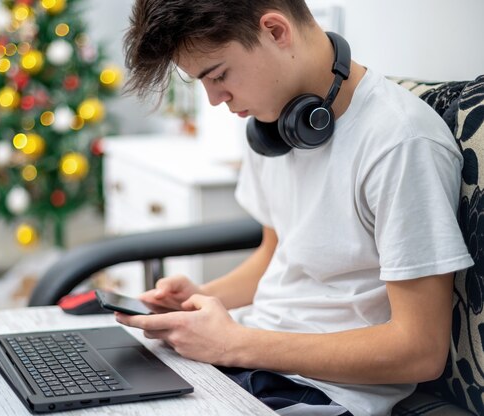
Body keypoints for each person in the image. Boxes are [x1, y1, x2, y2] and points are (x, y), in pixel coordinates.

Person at [117, 1, 474, 415]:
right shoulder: (273, 125)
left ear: (275, 30)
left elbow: (419, 351)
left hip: (317, 392)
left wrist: (234, 344)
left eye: (218, 75)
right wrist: (196, 302)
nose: (215, 99)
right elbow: (276, 255)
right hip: (250, 360)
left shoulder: (401, 143)